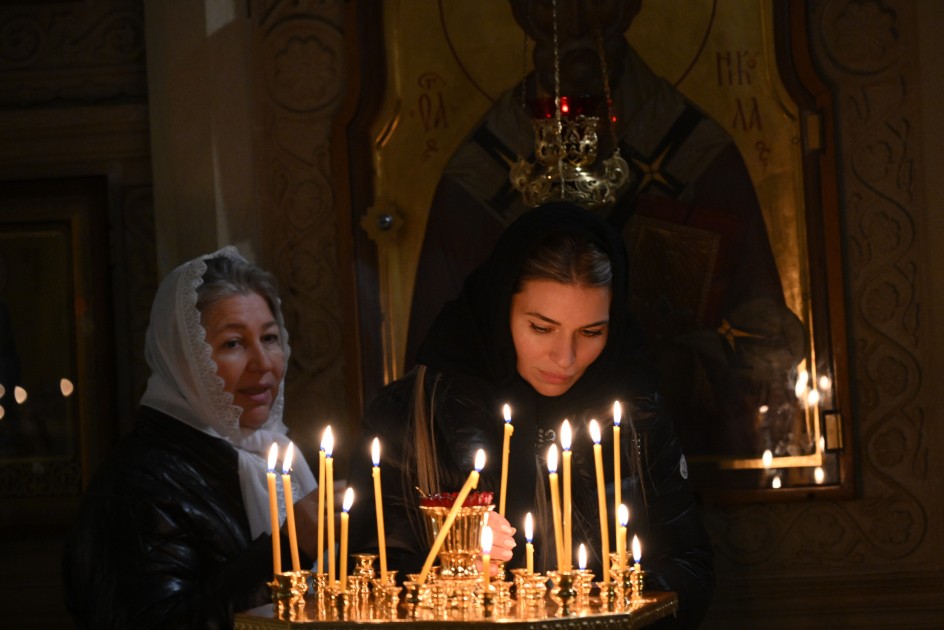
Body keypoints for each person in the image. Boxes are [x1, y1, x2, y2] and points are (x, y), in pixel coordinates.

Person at [406, 0, 806, 461]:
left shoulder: (699, 153)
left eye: (594, 1)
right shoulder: (477, 173)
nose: (573, 20)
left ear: (628, 6)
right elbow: (432, 387)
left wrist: (682, 365)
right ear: (521, 10)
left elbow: (769, 346)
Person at [350, 203, 714, 628]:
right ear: (501, 308)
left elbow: (691, 567)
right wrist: (454, 568)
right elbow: (370, 581)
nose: (566, 358)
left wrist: (611, 602)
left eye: (592, 332)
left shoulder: (636, 411)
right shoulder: (411, 414)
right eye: (541, 328)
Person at [62, 247, 320, 629]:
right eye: (233, 343)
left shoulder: (276, 456)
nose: (263, 363)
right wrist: (285, 549)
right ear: (183, 360)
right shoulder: (139, 485)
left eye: (269, 338)